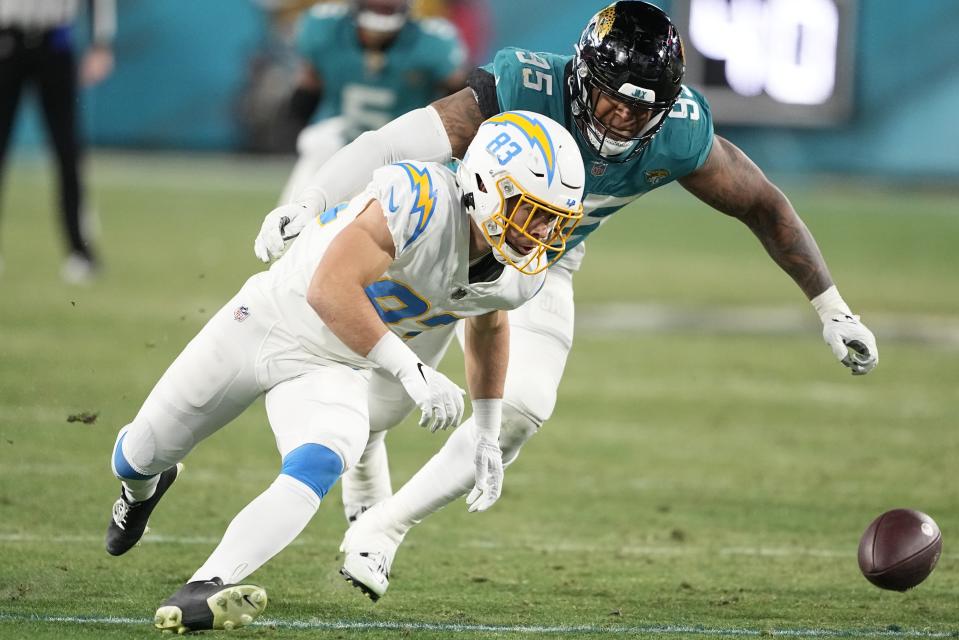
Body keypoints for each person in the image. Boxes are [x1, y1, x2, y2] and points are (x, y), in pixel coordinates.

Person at [253, 1, 880, 601]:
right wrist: (313, 199)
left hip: (546, 259)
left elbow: (762, 203)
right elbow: (392, 142)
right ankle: (363, 456)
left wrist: (833, 309)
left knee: (524, 408)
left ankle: (382, 529)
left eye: (642, 110)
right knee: (381, 406)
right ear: (582, 76)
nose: (621, 121)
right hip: (455, 233)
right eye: (611, 97)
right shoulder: (525, 87)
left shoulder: (679, 134)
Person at [103, 110, 585, 632]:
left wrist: (488, 431)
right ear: (487, 187)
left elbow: (489, 325)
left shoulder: (518, 274)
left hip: (340, 363)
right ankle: (141, 491)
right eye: (530, 209)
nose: (541, 231)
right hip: (270, 319)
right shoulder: (420, 196)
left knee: (323, 458)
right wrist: (410, 369)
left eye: (553, 218)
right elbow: (329, 288)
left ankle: (208, 583)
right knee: (139, 453)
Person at [279, 0, 466, 203]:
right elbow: (308, 88)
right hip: (335, 147)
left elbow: (461, 95)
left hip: (400, 157)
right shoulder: (327, 28)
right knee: (320, 141)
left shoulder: (431, 41)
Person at [0, 0, 116, 282]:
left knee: (68, 152)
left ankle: (80, 251)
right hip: (6, 39)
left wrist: (101, 42)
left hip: (55, 40)